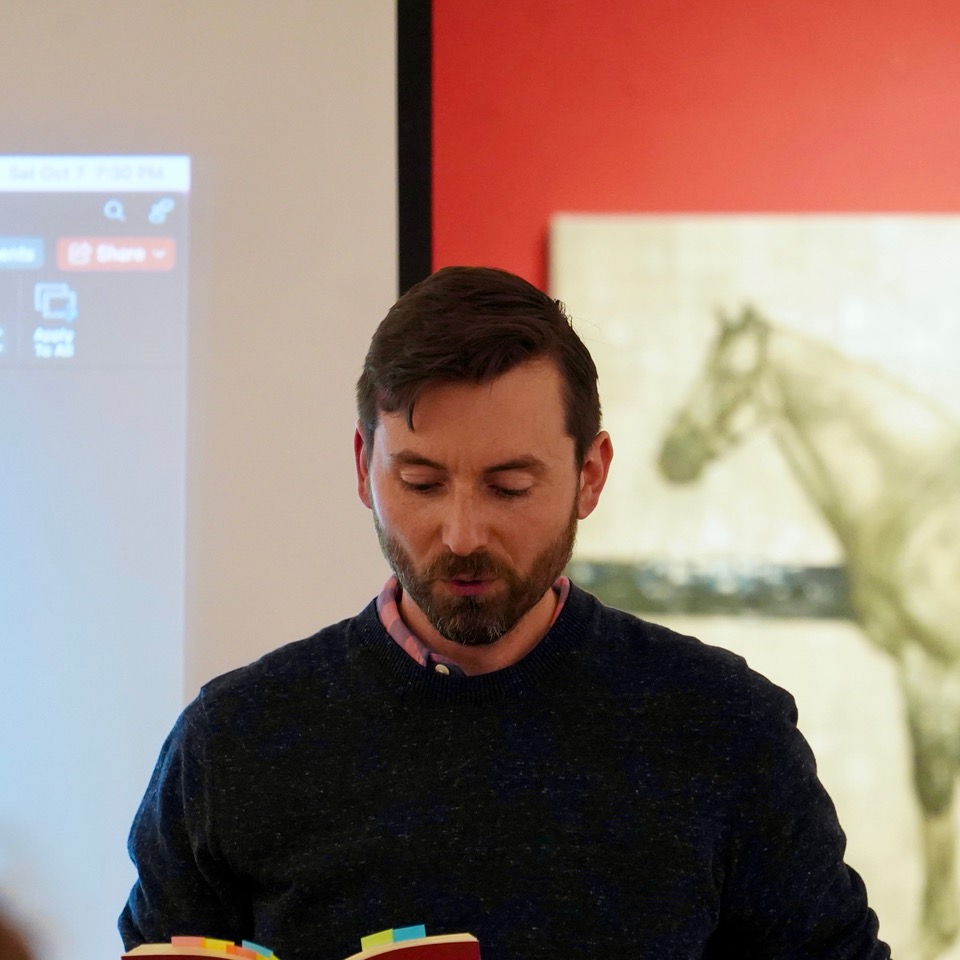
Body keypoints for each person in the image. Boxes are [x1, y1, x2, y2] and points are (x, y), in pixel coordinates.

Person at [120, 266, 890, 959]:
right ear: (364, 467)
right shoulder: (234, 742)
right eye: (420, 483)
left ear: (590, 475)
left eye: (509, 487)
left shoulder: (725, 729)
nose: (461, 535)